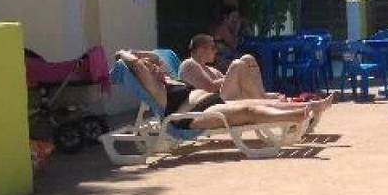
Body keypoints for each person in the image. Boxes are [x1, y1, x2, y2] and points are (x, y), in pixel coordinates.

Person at [115, 49, 332, 133]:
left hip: (212, 103)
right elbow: (135, 63)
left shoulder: (170, 79)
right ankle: (296, 116)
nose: (155, 66)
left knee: (260, 103)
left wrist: (140, 53)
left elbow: (154, 57)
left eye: (154, 65)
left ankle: (310, 106)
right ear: (147, 75)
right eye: (150, 68)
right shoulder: (157, 89)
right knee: (249, 111)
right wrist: (123, 53)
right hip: (193, 117)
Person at [179, 34, 283, 102]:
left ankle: (261, 95)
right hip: (210, 103)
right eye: (213, 48)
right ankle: (262, 99)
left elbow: (229, 83)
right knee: (238, 65)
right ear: (201, 50)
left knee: (248, 58)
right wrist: (237, 74)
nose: (216, 51)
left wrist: (239, 76)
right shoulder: (189, 64)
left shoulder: (210, 69)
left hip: (223, 97)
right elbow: (209, 87)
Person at [209, 3, 242, 69]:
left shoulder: (221, 27)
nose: (235, 20)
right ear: (226, 17)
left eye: (237, 17)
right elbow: (234, 45)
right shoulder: (223, 29)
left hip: (221, 59)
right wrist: (236, 30)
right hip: (220, 61)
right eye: (233, 17)